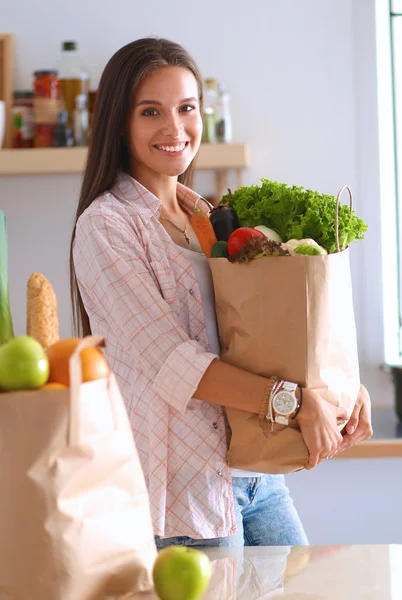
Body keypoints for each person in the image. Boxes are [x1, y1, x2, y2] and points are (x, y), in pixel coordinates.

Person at [70, 37, 373, 548]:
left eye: (187, 109)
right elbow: (171, 362)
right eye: (151, 112)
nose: (174, 128)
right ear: (119, 124)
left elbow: (262, 335)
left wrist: (340, 387)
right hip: (182, 496)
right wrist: (297, 405)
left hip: (259, 475)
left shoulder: (209, 217)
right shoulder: (106, 227)